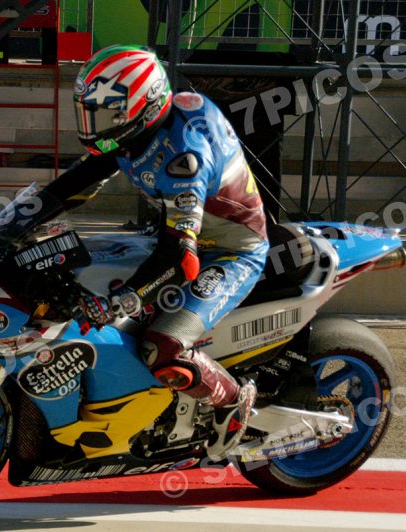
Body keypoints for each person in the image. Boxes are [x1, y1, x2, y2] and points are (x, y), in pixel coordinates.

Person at [43, 44, 269, 456]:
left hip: (229, 251)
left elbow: (182, 259)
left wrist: (125, 299)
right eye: (90, 112)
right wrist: (18, 219)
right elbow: (80, 180)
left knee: (162, 347)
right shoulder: (136, 133)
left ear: (142, 107)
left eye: (106, 113)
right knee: (70, 268)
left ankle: (234, 403)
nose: (94, 124)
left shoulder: (185, 157)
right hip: (170, 235)